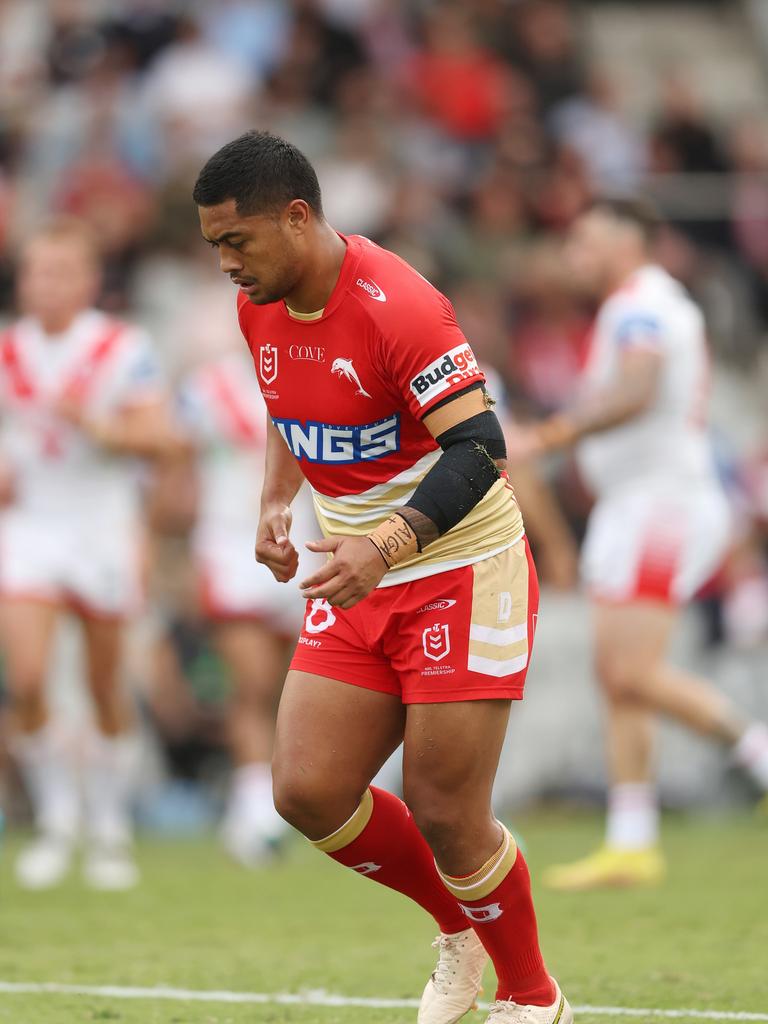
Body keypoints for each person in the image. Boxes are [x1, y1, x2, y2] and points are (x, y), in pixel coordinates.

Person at [193, 131, 571, 1024]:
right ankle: (459, 930)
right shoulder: (260, 307)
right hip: (355, 574)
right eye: (212, 246)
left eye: (235, 241)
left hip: (459, 565)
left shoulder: (400, 304)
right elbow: (294, 412)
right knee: (307, 791)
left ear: (297, 217)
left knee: (444, 809)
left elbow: (482, 448)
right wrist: (275, 504)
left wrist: (388, 543)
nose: (224, 265)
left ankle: (533, 998)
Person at [512, 199, 768, 890]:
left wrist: (549, 435)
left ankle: (758, 753)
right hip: (641, 504)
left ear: (626, 243)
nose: (575, 254)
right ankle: (632, 841)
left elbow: (638, 389)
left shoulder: (642, 305)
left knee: (631, 672)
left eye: (586, 240)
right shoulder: (635, 306)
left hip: (661, 504)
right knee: (617, 676)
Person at [0, 218, 172, 890]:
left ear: (88, 280)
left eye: (60, 272)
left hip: (102, 524)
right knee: (31, 678)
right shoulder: (8, 349)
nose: (45, 285)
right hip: (32, 527)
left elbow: (161, 438)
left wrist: (96, 426)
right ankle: (57, 820)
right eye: (36, 272)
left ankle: (108, 826)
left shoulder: (122, 348)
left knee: (105, 684)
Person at [176, 323, 319, 866]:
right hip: (229, 543)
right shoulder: (204, 388)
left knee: (304, 686)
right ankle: (256, 806)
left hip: (307, 536)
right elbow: (179, 470)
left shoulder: (315, 374)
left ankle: (301, 799)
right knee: (251, 682)